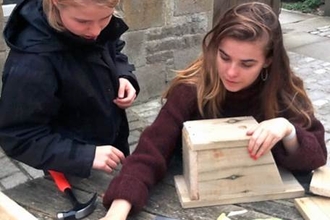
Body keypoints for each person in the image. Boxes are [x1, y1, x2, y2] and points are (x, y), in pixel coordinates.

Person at [100, 2, 328, 220]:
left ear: (268, 60)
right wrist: (118, 211)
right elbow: (151, 150)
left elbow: (316, 155)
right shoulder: (192, 89)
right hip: (190, 199)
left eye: (247, 64)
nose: (231, 72)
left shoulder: (282, 93)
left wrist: (288, 131)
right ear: (214, 48)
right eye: (224, 57)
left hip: (265, 201)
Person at [0, 0, 139, 178]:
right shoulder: (32, 62)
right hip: (70, 167)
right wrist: (85, 156)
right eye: (83, 22)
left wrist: (123, 75)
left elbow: (113, 48)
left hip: (112, 144)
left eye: (105, 18)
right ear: (55, 3)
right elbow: (18, 136)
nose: (95, 31)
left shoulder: (92, 21)